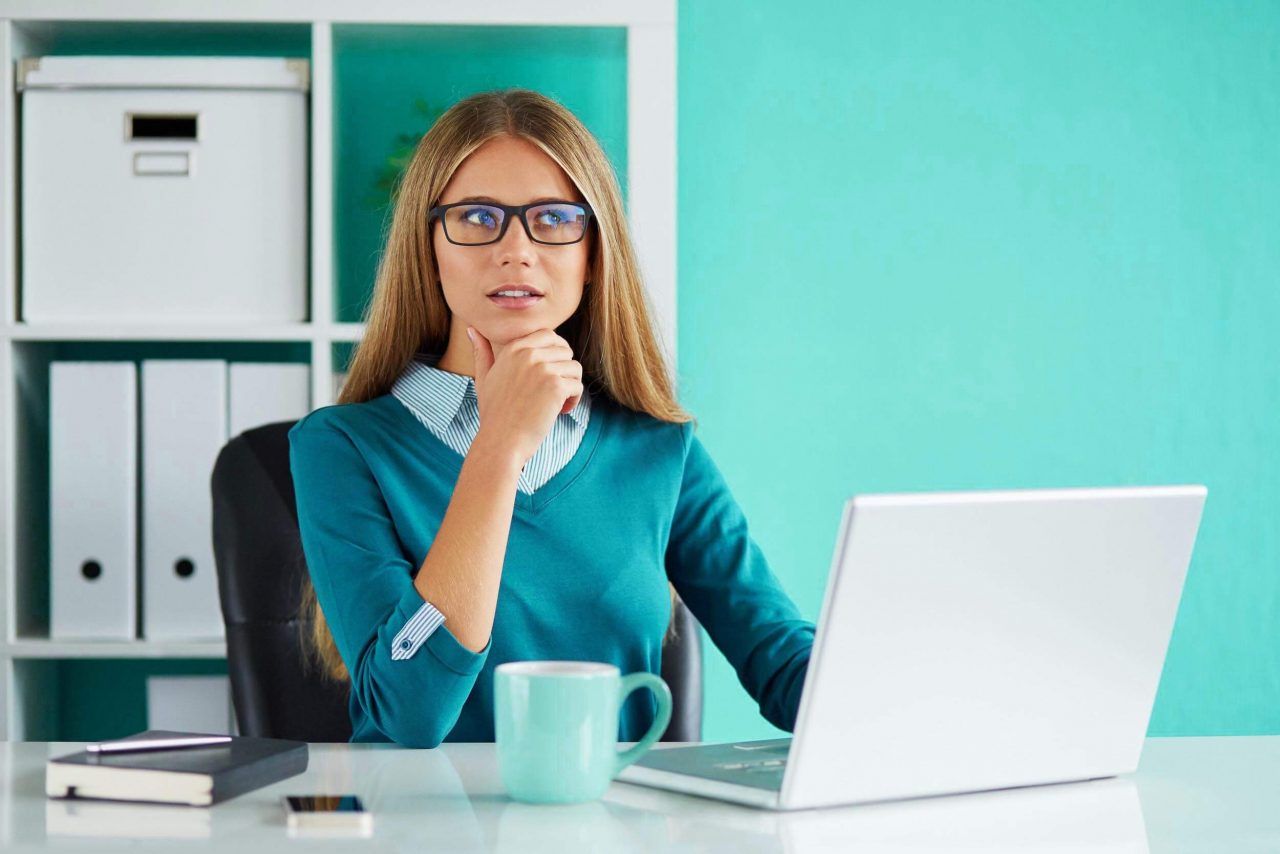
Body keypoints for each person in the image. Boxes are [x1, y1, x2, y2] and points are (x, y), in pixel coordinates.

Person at [289, 88, 814, 748]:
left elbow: (787, 665)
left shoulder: (660, 451)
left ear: (593, 255)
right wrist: (499, 443)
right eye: (478, 217)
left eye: (555, 218)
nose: (515, 250)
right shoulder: (343, 448)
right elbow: (408, 713)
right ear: (429, 248)